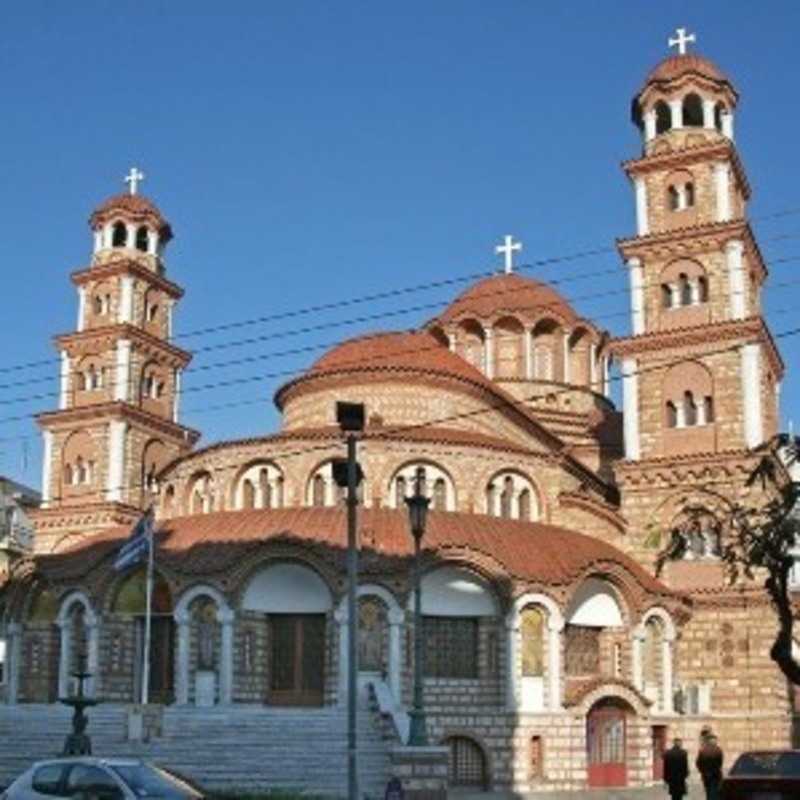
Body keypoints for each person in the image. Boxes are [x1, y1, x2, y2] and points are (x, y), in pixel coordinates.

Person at [696, 734, 724, 800]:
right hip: (715, 774)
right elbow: (720, 763)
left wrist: (702, 771)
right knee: (715, 791)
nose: (716, 742)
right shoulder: (718, 750)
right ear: (712, 741)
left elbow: (698, 763)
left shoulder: (702, 750)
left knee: (708, 791)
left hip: (706, 774)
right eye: (715, 740)